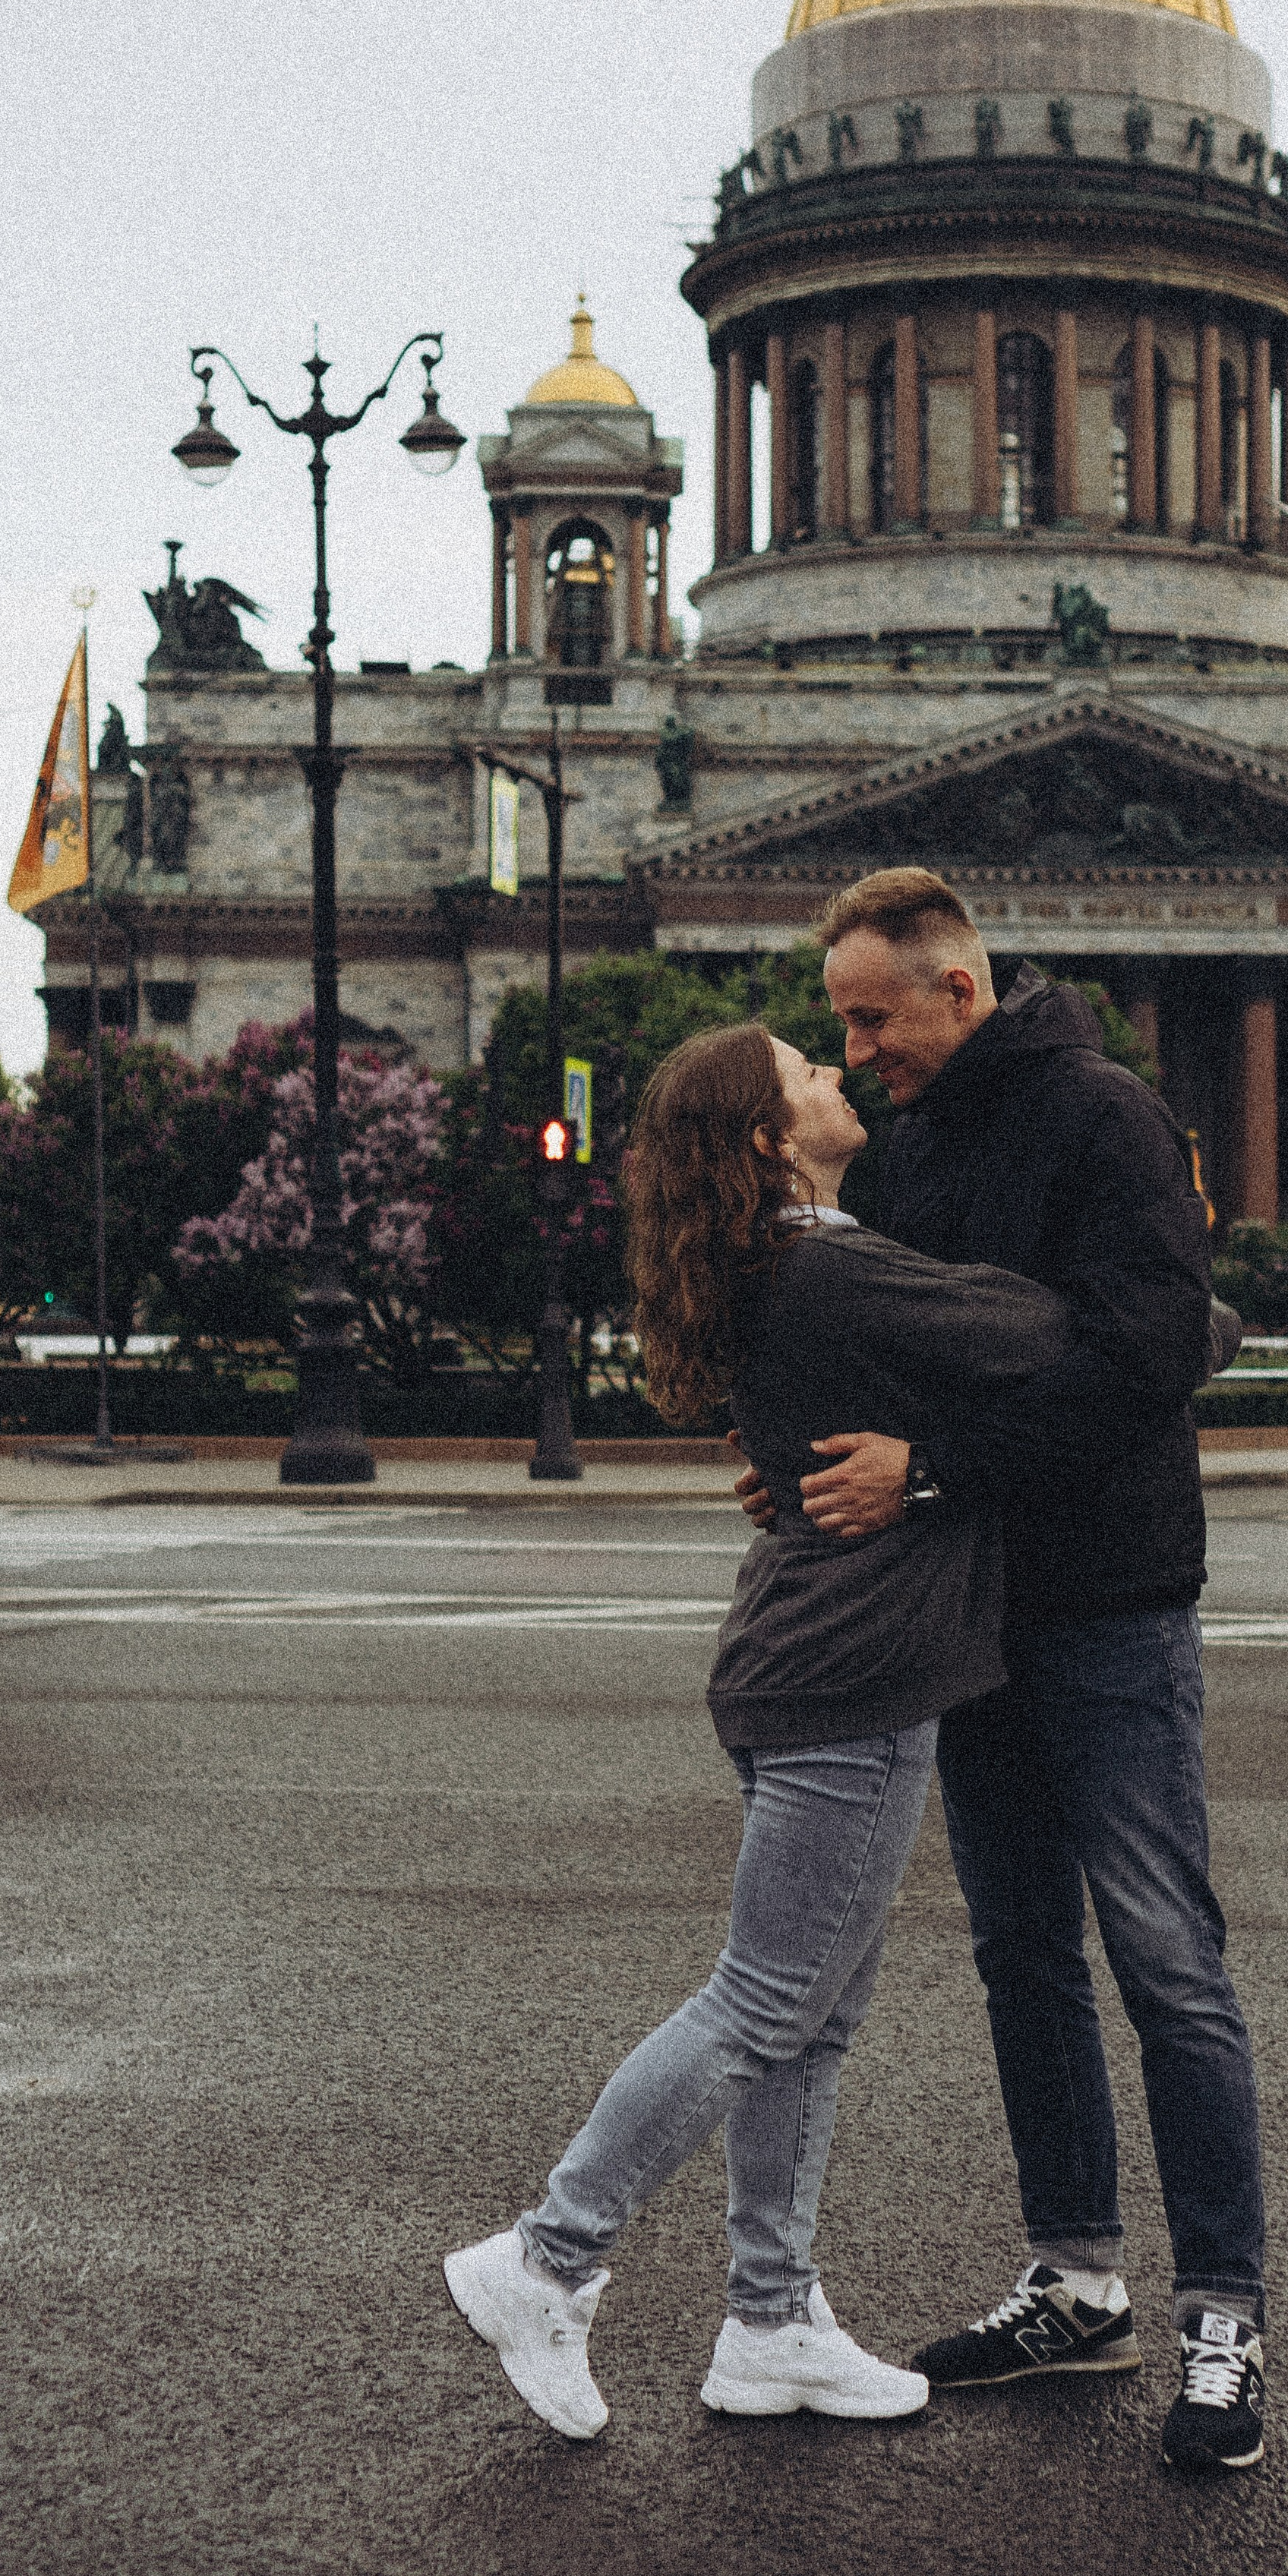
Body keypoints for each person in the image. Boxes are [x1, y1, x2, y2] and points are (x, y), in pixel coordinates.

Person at [443, 1022, 1129, 2442]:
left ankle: (772, 2321)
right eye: (809, 1071)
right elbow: (1080, 1339)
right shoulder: (836, 1264)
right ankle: (549, 2258)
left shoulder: (774, 1266)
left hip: (803, 1665)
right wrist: (1177, 1301)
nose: (838, 1075)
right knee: (764, 2004)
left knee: (812, 2021)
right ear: (771, 1139)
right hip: (853, 1682)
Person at [737, 869, 1267, 2473]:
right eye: (839, 1025)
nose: (854, 1048)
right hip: (969, 1615)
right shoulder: (907, 1148)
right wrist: (806, 1460)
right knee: (1023, 1954)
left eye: (868, 1017)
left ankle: (1222, 2319)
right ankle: (1078, 2281)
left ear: (955, 992)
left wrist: (933, 1472)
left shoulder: (1103, 1119)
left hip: (1105, 1602)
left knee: (1166, 1961)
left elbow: (1148, 1351)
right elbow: (904, 1350)